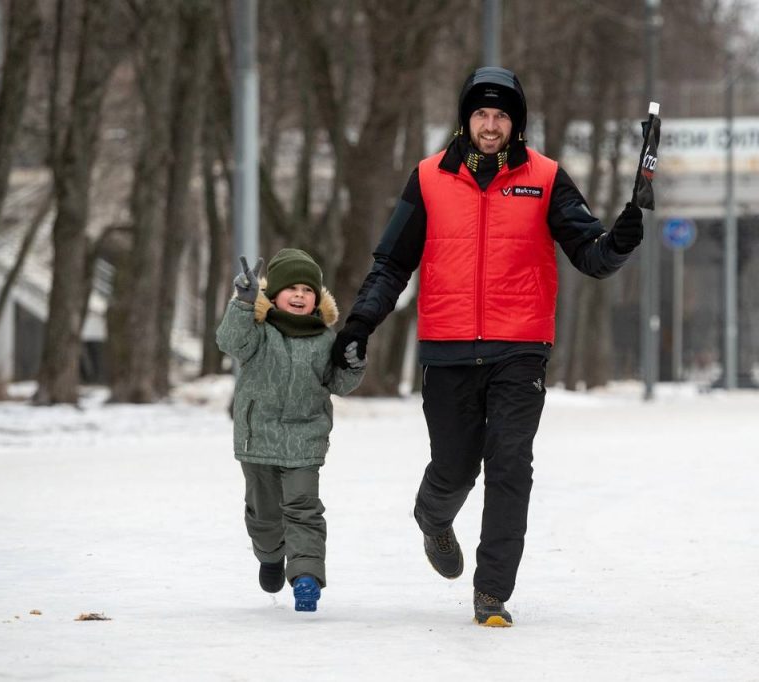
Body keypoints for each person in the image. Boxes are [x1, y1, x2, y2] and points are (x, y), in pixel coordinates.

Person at [330, 66, 644, 626]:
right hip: (447, 348)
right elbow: (391, 263)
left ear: (515, 123)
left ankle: (491, 593)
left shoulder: (545, 177)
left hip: (520, 346)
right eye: (481, 113)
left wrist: (620, 237)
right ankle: (433, 517)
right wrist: (358, 326)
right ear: (466, 120)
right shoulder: (428, 178)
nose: (491, 124)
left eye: (501, 115)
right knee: (453, 469)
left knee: (509, 466)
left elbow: (591, 255)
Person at [217, 248, 366, 613]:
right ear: (274, 294)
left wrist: (354, 364)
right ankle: (270, 556)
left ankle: (306, 577)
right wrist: (242, 304)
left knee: (304, 510)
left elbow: (338, 382)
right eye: (292, 288)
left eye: (308, 290)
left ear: (317, 298)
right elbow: (229, 342)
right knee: (265, 515)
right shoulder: (258, 331)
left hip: (304, 440)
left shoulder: (325, 338)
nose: (300, 295)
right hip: (259, 440)